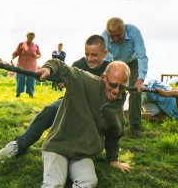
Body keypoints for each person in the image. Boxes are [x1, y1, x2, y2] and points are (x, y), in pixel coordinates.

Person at [0, 35, 110, 160]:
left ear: (104, 53)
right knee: (49, 110)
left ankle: (85, 154)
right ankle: (19, 145)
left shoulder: (111, 70)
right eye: (87, 54)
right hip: (71, 101)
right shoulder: (78, 64)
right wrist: (56, 76)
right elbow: (61, 68)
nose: (90, 59)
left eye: (94, 55)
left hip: (96, 109)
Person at [37, 59, 131, 187]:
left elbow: (114, 134)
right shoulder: (86, 81)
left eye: (122, 87)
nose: (116, 90)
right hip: (58, 146)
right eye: (113, 85)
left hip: (83, 153)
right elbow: (62, 66)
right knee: (54, 184)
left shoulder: (117, 107)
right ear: (104, 77)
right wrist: (48, 68)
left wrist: (113, 159)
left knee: (89, 182)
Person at [102, 17, 148, 135]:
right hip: (115, 64)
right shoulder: (104, 37)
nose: (115, 39)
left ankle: (134, 125)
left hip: (133, 63)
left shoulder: (134, 32)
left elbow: (142, 56)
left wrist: (140, 79)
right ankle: (111, 123)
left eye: (118, 35)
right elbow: (105, 59)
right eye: (112, 36)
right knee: (112, 89)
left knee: (135, 90)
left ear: (124, 29)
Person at [11, 32, 41, 98]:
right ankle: (18, 93)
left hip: (32, 66)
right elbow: (16, 53)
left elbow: (39, 55)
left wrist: (36, 56)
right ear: (27, 36)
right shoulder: (21, 44)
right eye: (29, 35)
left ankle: (31, 94)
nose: (31, 36)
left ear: (34, 37)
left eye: (32, 35)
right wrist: (12, 59)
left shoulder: (36, 45)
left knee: (31, 80)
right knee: (20, 79)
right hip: (22, 65)